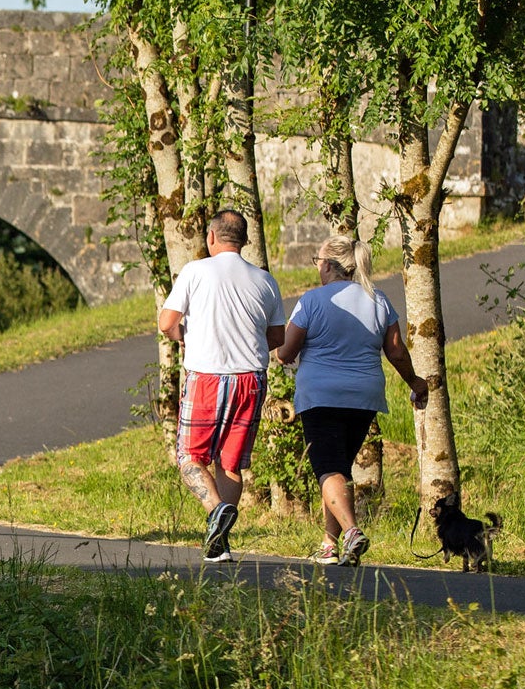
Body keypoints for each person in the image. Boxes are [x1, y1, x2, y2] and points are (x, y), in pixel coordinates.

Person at [278, 231, 428, 566]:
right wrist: (415, 381)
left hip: (321, 396)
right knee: (339, 468)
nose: (317, 267)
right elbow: (396, 350)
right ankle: (330, 545)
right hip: (364, 397)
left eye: (318, 261)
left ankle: (350, 532)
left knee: (327, 468)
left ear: (329, 265)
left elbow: (287, 352)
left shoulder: (312, 301)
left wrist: (276, 347)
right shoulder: (378, 300)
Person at [157, 208, 285, 562]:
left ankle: (215, 510)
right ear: (244, 240)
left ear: (211, 237)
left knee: (189, 457)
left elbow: (166, 321)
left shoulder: (195, 271)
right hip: (251, 379)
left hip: (207, 377)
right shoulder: (265, 280)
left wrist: (185, 338)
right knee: (230, 464)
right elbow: (276, 336)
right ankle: (220, 543)